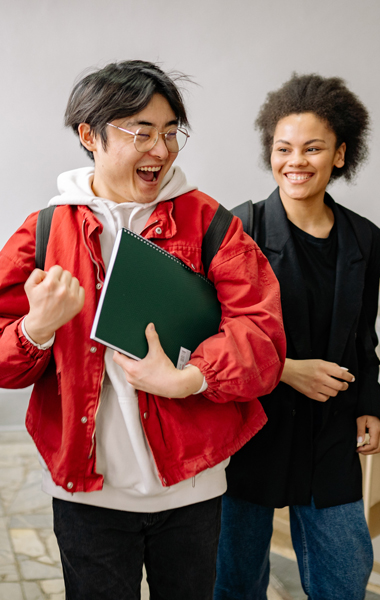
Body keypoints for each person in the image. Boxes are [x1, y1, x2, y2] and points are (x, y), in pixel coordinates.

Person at [0, 60, 286, 600]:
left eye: (171, 131)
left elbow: (264, 336)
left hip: (192, 487)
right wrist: (36, 328)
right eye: (142, 132)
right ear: (90, 135)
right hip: (86, 492)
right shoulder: (44, 230)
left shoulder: (211, 224)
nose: (161, 149)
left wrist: (191, 377)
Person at [214, 73, 380, 600]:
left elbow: (363, 338)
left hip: (331, 428)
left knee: (344, 578)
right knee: (236, 583)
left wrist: (371, 403)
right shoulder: (238, 229)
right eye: (283, 148)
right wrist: (286, 370)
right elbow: (213, 340)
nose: (296, 161)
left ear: (340, 155)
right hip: (253, 425)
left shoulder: (368, 239)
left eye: (313, 148)